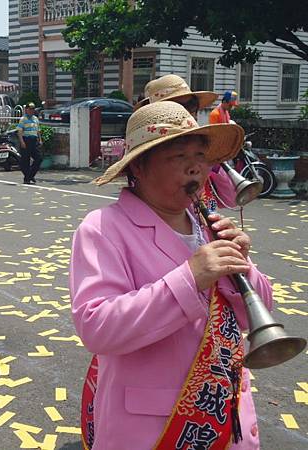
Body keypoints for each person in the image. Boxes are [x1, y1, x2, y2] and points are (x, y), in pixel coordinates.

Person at [71, 101, 273, 449]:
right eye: (179, 156)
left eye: (200, 155)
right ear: (140, 166)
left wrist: (244, 267)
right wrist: (190, 277)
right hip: (157, 429)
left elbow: (252, 316)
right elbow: (97, 327)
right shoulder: (103, 228)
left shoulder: (207, 225)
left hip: (225, 414)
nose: (196, 167)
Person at [144, 74, 237, 209]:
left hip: (203, 215)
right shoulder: (147, 151)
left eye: (192, 106)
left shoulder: (201, 148)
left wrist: (213, 164)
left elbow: (230, 200)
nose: (188, 113)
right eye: (179, 107)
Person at [17, 102, 43, 184]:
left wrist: (40, 139)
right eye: (30, 109)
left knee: (39, 158)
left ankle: (31, 175)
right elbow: (20, 131)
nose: (31, 111)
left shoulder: (35, 119)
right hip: (26, 140)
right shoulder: (23, 119)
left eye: (32, 109)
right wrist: (22, 142)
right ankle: (27, 178)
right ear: (26, 110)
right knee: (25, 160)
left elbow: (38, 130)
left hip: (34, 140)